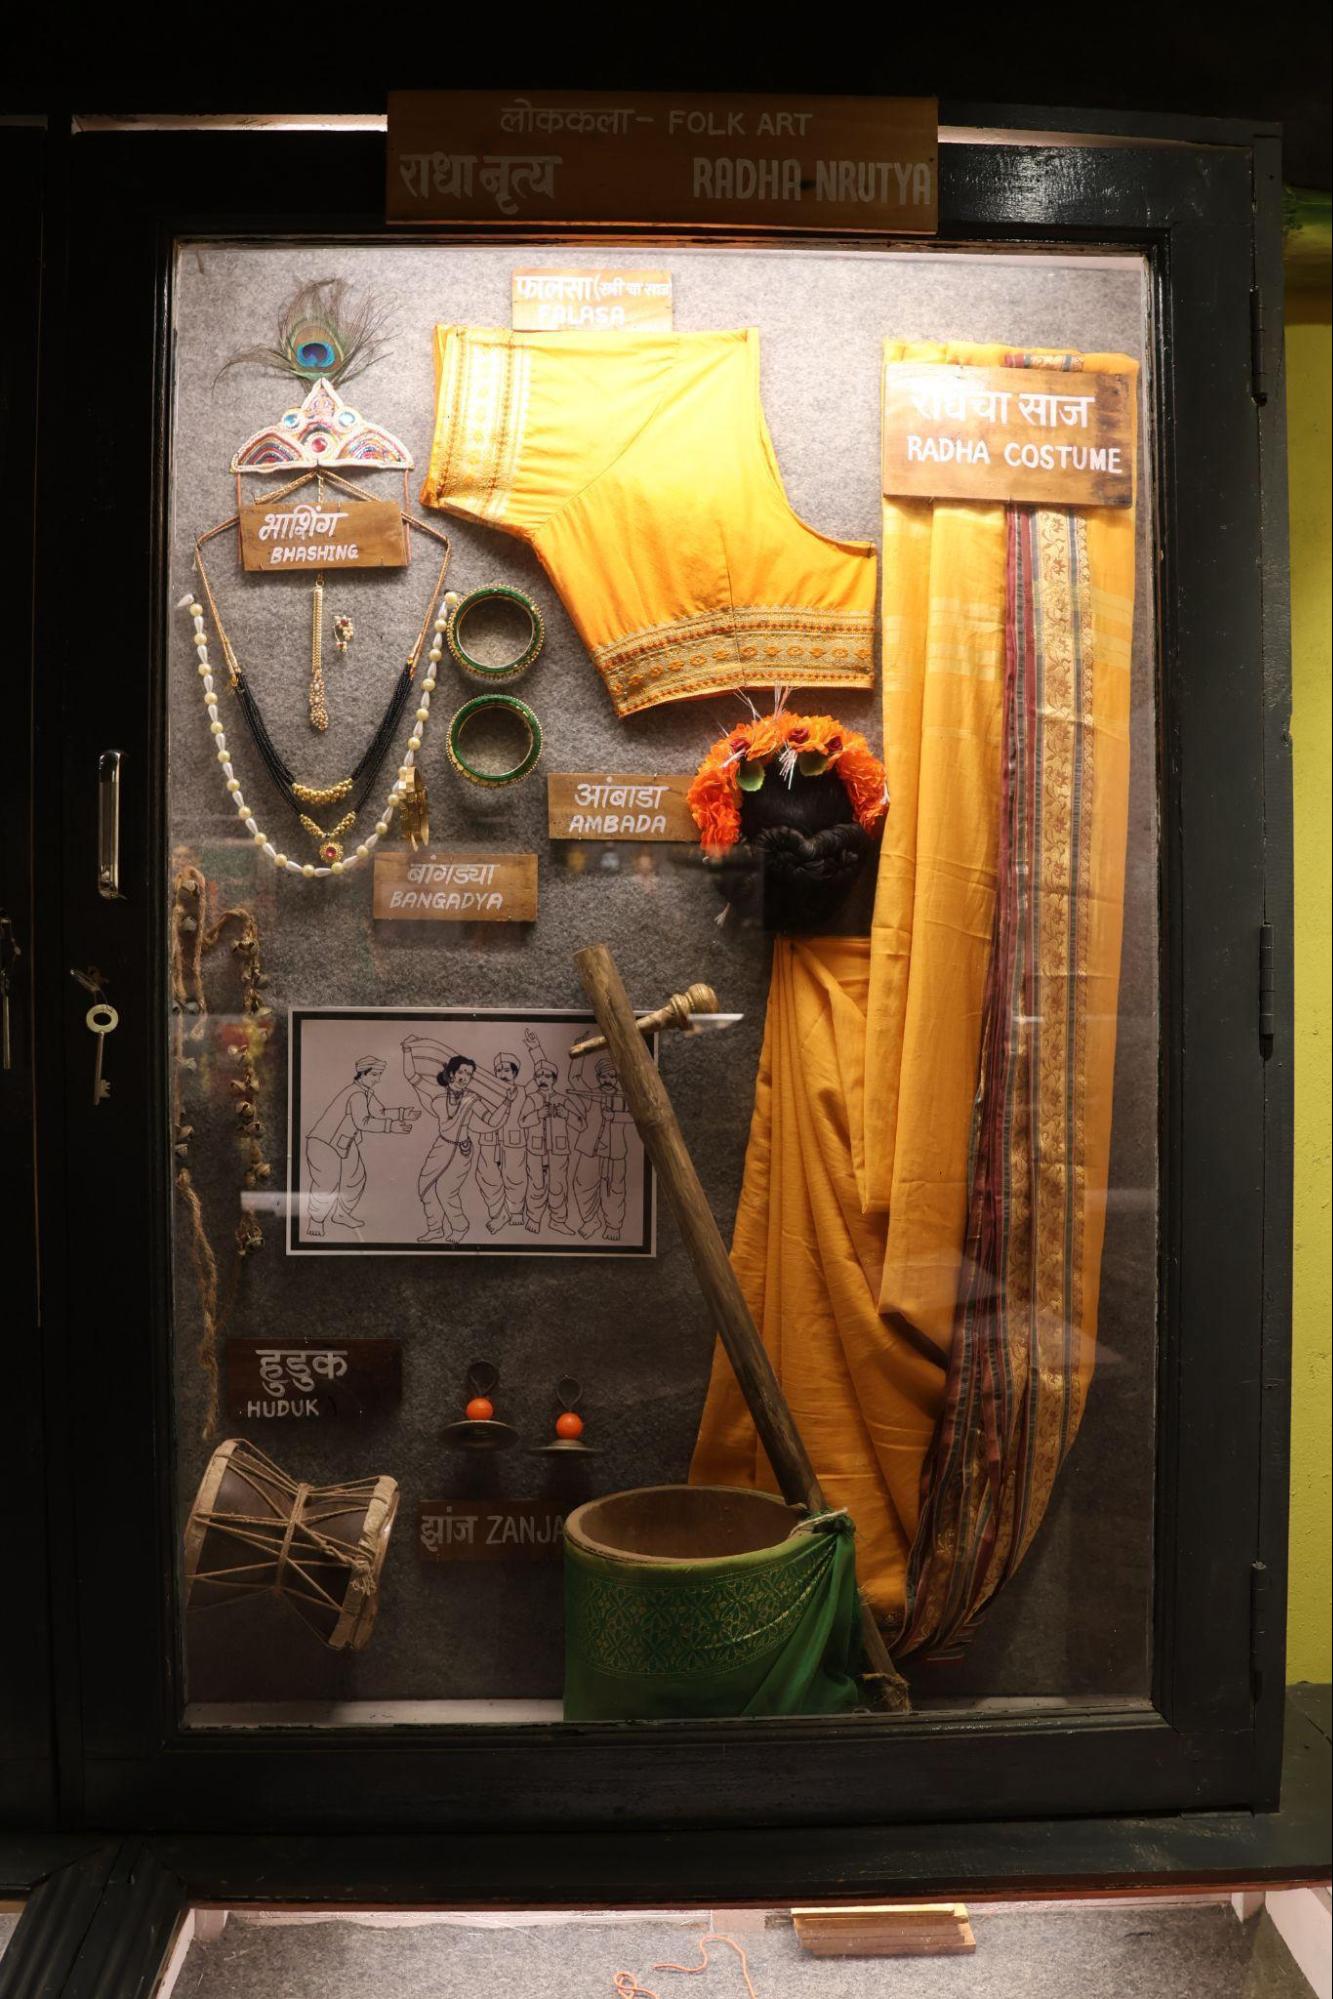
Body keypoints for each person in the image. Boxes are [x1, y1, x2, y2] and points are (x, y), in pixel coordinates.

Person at [303, 1056, 416, 1239]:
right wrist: (392, 1126)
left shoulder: (366, 1093)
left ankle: (340, 1213)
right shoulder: (355, 1094)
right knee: (327, 1183)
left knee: (355, 1178)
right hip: (323, 1143)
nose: (378, 1079)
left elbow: (379, 1112)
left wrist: (404, 1114)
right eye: (375, 1075)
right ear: (363, 1074)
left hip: (344, 1142)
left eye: (379, 1075)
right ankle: (316, 1221)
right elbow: (363, 1122)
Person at [403, 1041, 483, 1245]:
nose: (466, 1077)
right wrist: (406, 1050)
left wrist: (507, 1104)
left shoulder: (472, 1099)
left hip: (461, 1149)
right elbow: (411, 1076)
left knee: (447, 1191)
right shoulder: (437, 1092)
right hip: (442, 1145)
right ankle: (435, 1229)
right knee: (426, 1187)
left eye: (470, 1074)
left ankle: (459, 1227)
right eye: (463, 1072)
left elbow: (491, 1121)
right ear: (452, 1072)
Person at [519, 1038, 586, 1236]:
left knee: (558, 1187)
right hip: (535, 1150)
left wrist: (566, 1114)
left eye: (547, 1075)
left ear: (554, 1079)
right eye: (539, 1075)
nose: (543, 1078)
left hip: (558, 1151)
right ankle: (533, 1218)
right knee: (536, 1186)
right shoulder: (531, 1099)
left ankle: (557, 1221)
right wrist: (538, 1114)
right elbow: (522, 1122)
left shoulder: (563, 1100)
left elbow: (581, 1124)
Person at [568, 1051, 633, 1241]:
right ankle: (591, 1220)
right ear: (598, 1077)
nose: (608, 1080)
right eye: (604, 1076)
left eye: (612, 1076)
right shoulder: (591, 1094)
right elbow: (574, 1078)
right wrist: (578, 1049)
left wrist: (615, 1116)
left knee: (615, 1189)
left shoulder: (626, 1096)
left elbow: (638, 1117)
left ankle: (613, 1225)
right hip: (590, 1150)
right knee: (582, 1185)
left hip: (616, 1152)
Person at [474, 1050, 529, 1234]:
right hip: (490, 1140)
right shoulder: (487, 1090)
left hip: (514, 1139)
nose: (502, 1074)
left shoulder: (523, 1091)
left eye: (506, 1069)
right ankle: (498, 1212)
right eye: (498, 1070)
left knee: (515, 1176)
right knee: (486, 1176)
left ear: (514, 1072)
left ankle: (515, 1212)